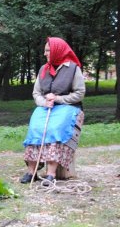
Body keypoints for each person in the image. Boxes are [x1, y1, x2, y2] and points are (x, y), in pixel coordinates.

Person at [20, 37, 86, 185]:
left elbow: (79, 94)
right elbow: (36, 93)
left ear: (58, 50)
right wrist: (44, 102)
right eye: (45, 51)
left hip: (68, 107)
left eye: (48, 50)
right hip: (46, 107)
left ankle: (51, 173)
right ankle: (32, 171)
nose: (45, 53)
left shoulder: (73, 69)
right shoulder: (43, 69)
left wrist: (57, 98)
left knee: (55, 128)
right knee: (35, 127)